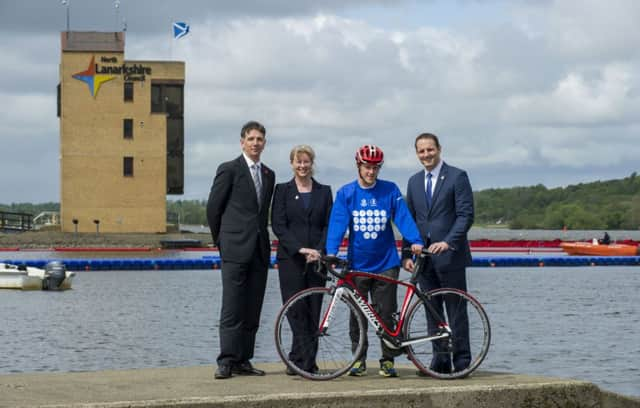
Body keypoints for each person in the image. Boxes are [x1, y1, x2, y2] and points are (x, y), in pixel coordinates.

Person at [325, 144, 424, 378]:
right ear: (358, 166)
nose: (371, 172)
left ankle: (387, 360)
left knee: (386, 312)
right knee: (357, 315)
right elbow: (337, 225)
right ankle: (358, 359)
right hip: (357, 265)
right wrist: (331, 252)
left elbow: (403, 218)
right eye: (367, 167)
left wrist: (415, 239)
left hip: (386, 264)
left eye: (375, 168)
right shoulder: (346, 193)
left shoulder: (389, 190)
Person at [206, 120, 275, 379]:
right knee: (232, 306)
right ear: (242, 142)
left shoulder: (269, 174)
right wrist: (221, 240)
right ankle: (226, 360)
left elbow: (262, 212)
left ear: (264, 144)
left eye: (260, 139)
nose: (255, 143)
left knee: (253, 307)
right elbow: (214, 208)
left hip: (259, 248)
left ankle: (244, 359)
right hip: (234, 247)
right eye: (251, 139)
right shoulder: (229, 170)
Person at [401, 132, 474, 374]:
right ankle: (440, 360)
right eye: (421, 151)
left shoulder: (457, 176)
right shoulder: (413, 181)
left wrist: (449, 242)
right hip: (423, 259)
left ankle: (462, 361)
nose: (426, 155)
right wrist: (406, 255)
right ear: (417, 154)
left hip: (450, 255)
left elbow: (466, 215)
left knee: (455, 309)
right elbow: (409, 220)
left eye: (430, 150)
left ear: (439, 149)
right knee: (431, 310)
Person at [271, 145, 333, 375]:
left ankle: (304, 362)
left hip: (317, 260)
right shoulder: (282, 191)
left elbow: (329, 225)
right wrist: (299, 249)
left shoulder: (324, 191)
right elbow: (278, 225)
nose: (302, 166)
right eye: (298, 162)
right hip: (291, 260)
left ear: (312, 163)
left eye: (306, 162)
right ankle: (300, 358)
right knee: (295, 309)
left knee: (314, 309)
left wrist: (317, 250)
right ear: (292, 164)